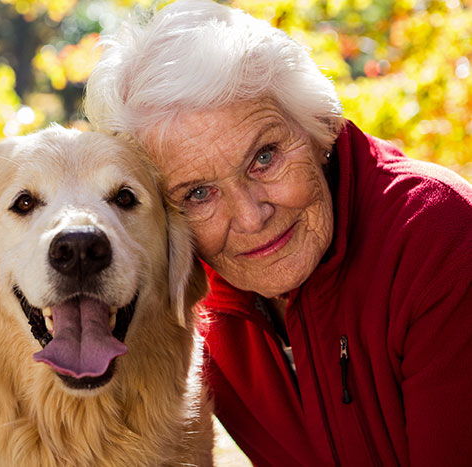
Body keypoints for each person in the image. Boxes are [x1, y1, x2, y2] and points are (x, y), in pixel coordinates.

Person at [83, 0, 472, 465]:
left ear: (320, 128)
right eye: (199, 193)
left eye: (264, 157)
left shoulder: (438, 236)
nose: (250, 217)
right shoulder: (194, 297)